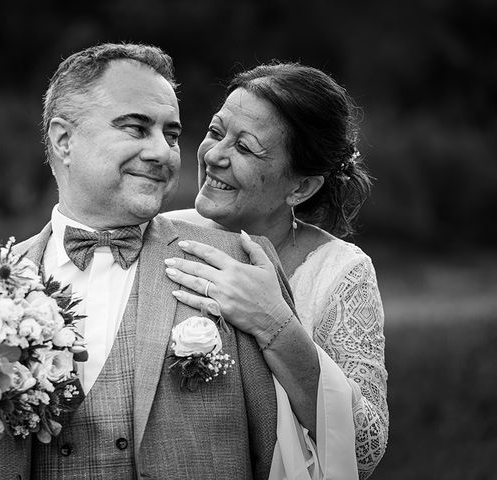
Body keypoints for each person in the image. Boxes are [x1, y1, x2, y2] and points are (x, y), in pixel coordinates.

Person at [0, 43, 325, 480]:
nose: (163, 152)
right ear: (64, 140)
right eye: (137, 128)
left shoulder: (236, 266)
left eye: (171, 135)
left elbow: (287, 452)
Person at [165, 62, 388, 479]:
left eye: (245, 148)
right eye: (216, 132)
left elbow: (364, 446)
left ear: (300, 187)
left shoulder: (339, 273)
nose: (213, 155)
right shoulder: (166, 235)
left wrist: (274, 323)